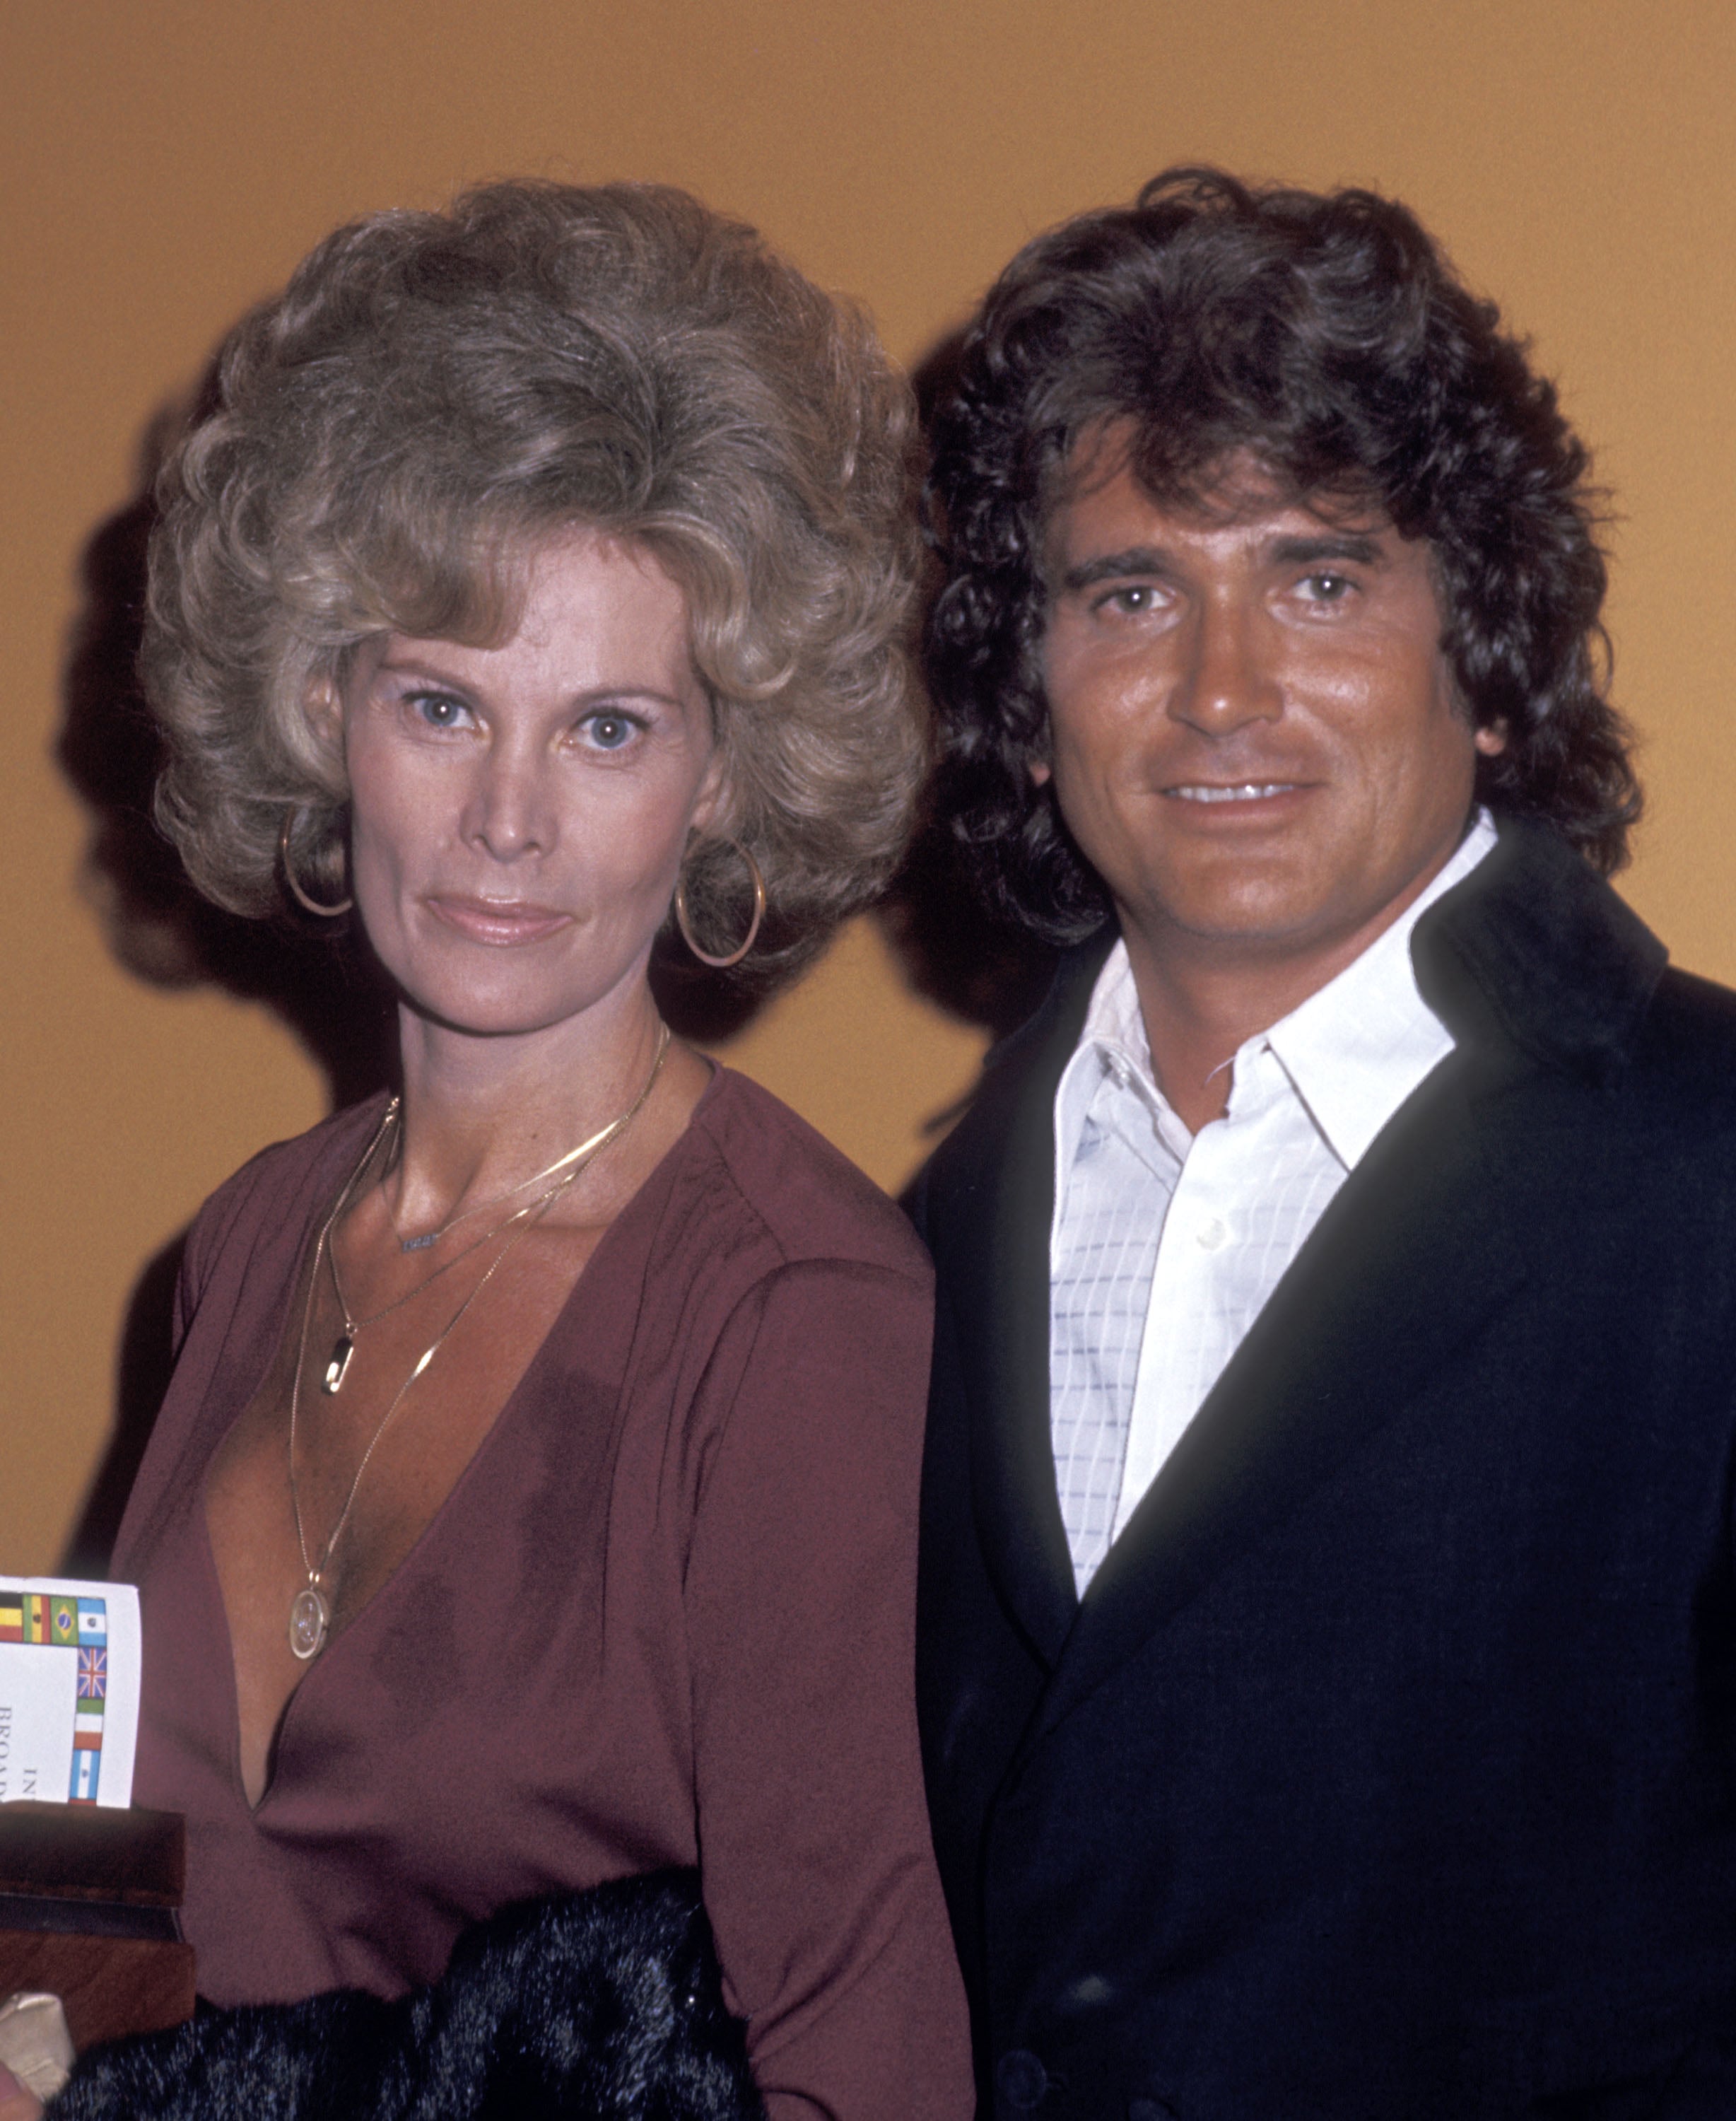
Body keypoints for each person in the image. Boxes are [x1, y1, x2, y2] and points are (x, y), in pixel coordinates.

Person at [1, 180, 973, 2121]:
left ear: (722, 779)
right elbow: (114, 1900)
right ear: (323, 713)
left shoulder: (792, 1310)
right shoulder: (254, 1241)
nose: (507, 819)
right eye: (443, 705)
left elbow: (866, 2050)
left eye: (608, 730)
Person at [910, 167, 1736, 2118]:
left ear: (1491, 654)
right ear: (1030, 688)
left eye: (1320, 579)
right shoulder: (902, 1246)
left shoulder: (1711, 1173)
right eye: (1132, 593)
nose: (1221, 692)